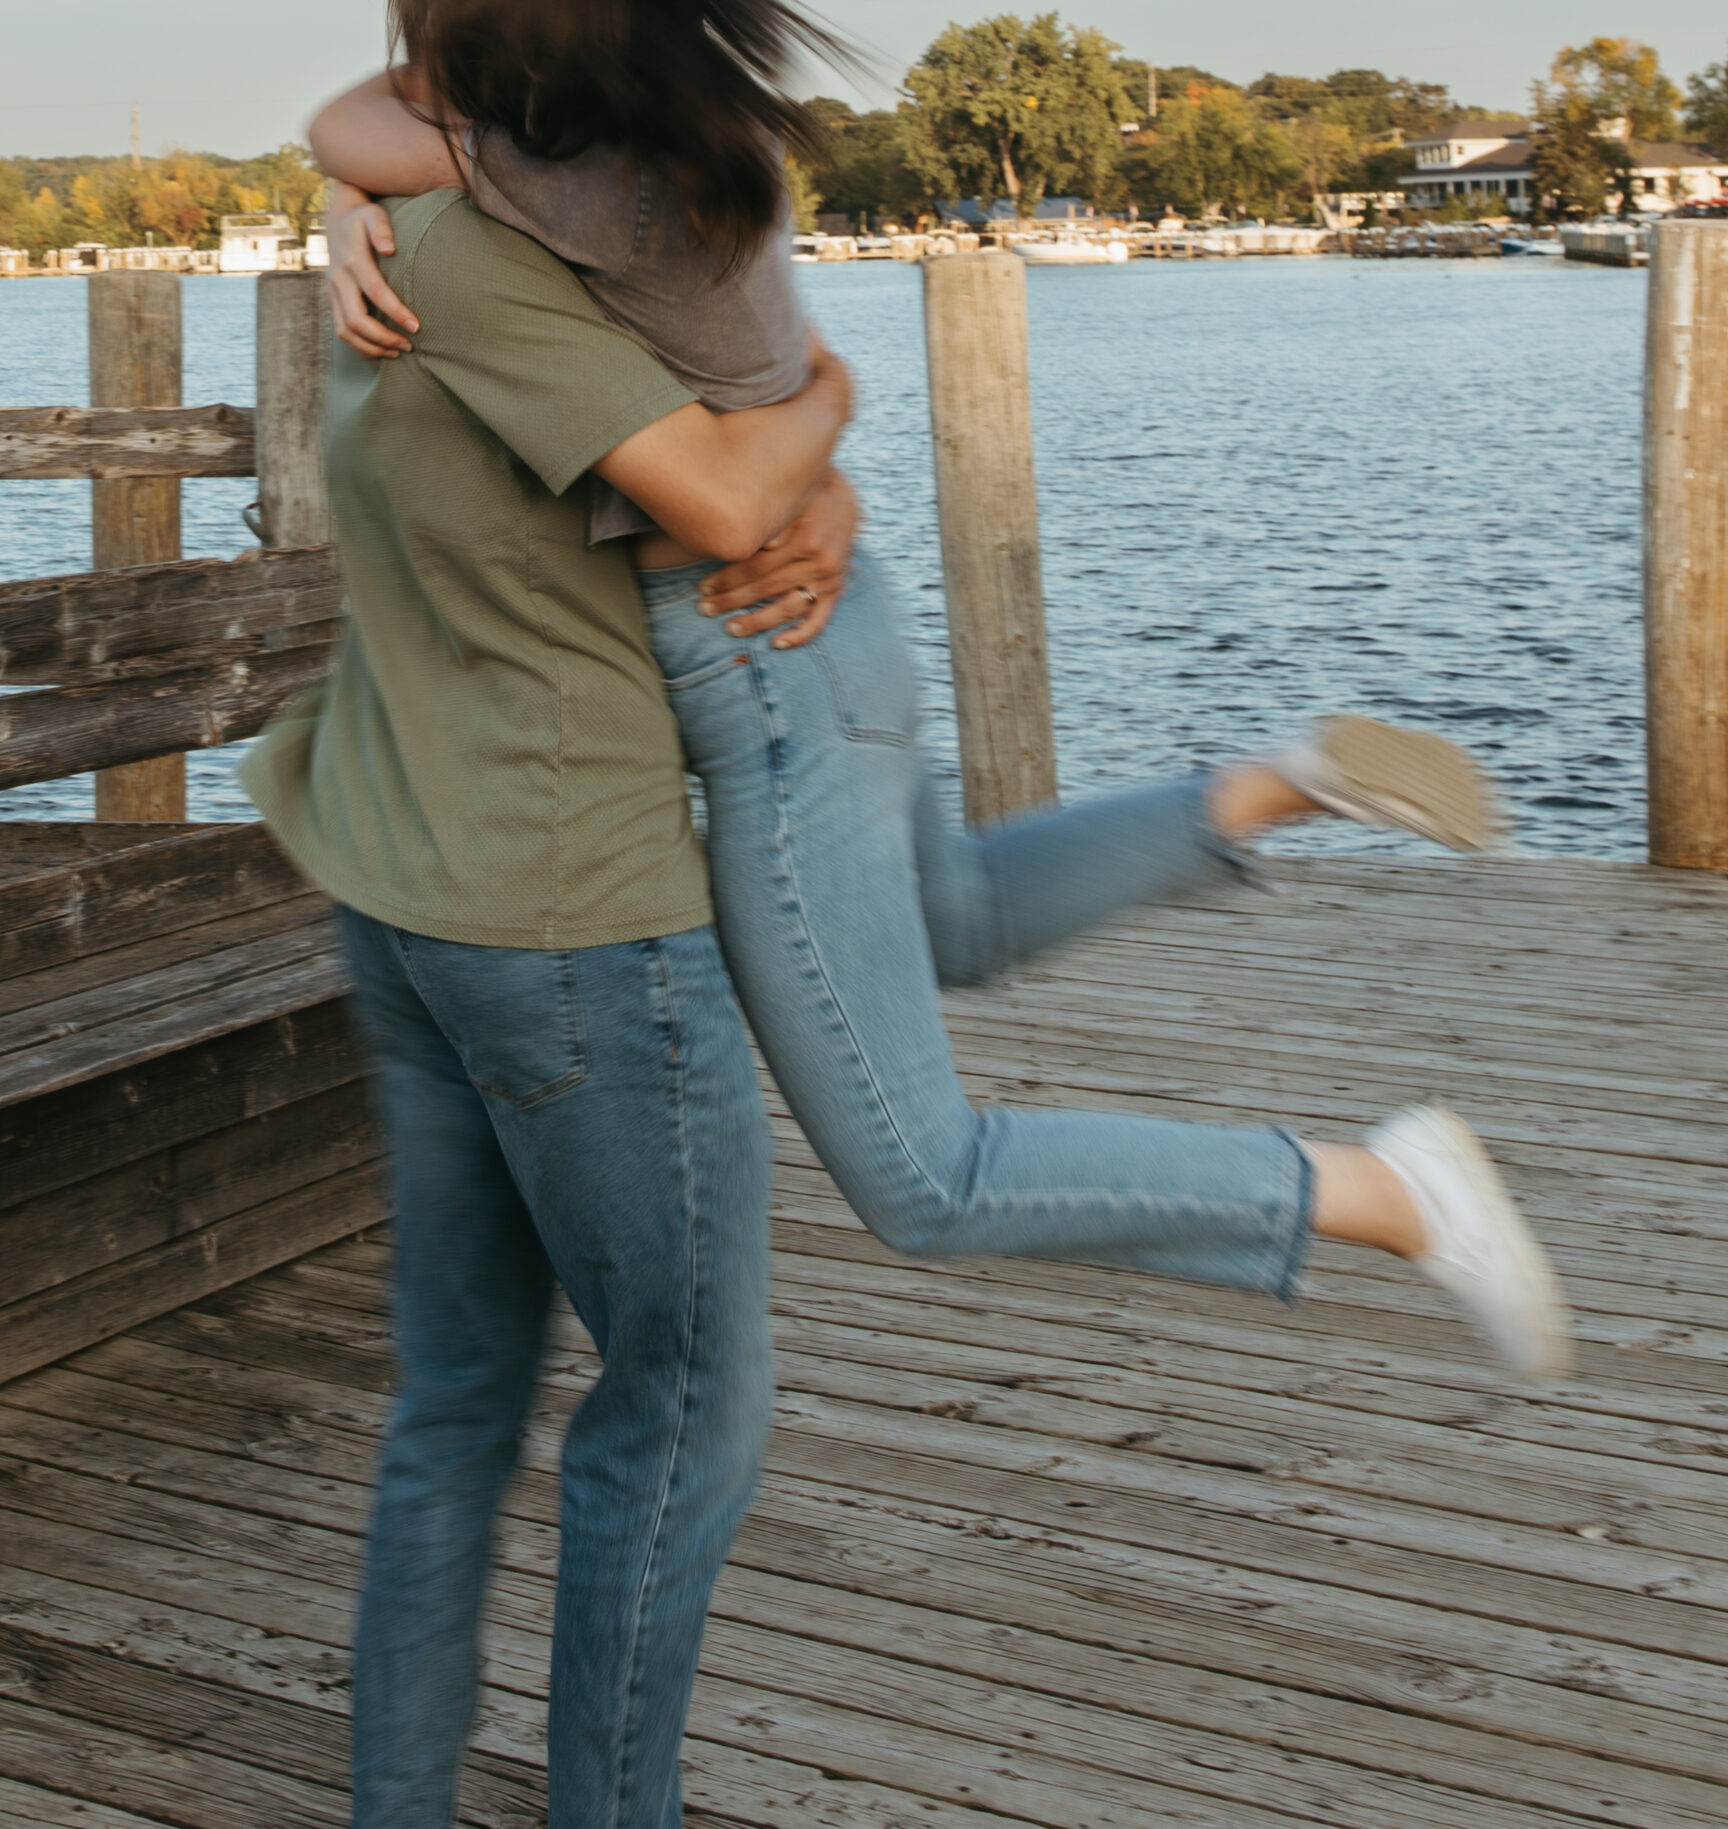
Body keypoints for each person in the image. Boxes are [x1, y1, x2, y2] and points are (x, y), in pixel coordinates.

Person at [245, 6, 1568, 1826]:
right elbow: (378, 137)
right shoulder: (601, 174)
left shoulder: (509, 217)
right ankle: (1271, 787)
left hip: (752, 670)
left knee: (904, 1171)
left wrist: (816, 420)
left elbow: (693, 466)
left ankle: (1379, 1183)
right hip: (762, 658)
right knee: (934, 924)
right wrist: (822, 409)